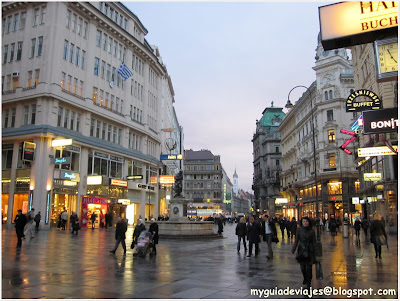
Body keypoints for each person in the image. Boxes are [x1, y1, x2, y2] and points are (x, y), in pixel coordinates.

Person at [292, 217, 317, 289]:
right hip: (302, 250)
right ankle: (305, 277)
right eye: (304, 221)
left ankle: (309, 282)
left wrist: (316, 252)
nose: (305, 223)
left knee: (309, 268)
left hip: (310, 250)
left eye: (306, 221)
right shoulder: (299, 230)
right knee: (302, 267)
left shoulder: (312, 231)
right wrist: (293, 249)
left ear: (309, 222)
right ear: (302, 223)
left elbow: (314, 242)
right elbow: (296, 240)